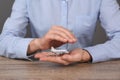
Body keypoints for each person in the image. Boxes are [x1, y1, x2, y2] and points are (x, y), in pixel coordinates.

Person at [0, 0, 120, 65]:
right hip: (40, 70)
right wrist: (38, 44)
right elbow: (3, 41)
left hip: (84, 68)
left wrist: (86, 54)